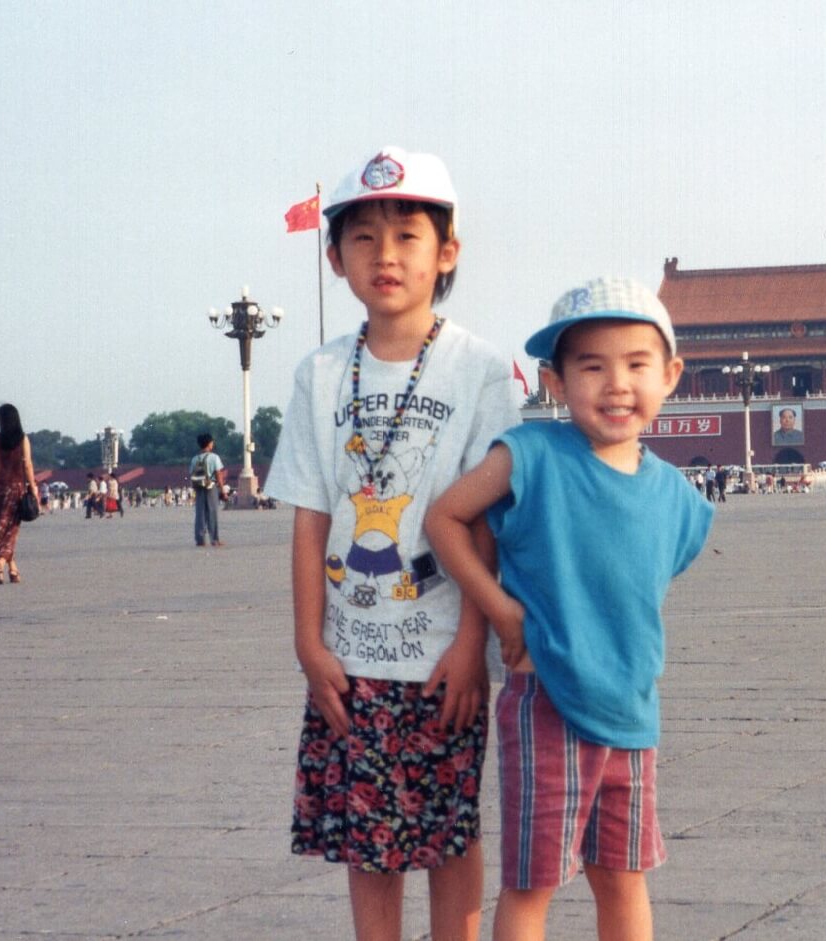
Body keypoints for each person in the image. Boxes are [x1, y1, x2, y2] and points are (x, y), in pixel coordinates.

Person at [263, 146, 520, 941]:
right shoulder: (319, 374)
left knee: (449, 831)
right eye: (364, 238)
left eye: (408, 235)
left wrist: (473, 642)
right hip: (351, 653)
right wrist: (309, 643)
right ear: (336, 257)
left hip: (442, 647)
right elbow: (311, 517)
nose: (387, 256)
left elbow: (486, 521)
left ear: (447, 253)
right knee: (367, 839)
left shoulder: (478, 370)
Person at [426, 276, 713, 941]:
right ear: (555, 381)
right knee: (533, 882)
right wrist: (501, 610)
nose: (617, 383)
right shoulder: (530, 456)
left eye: (637, 364)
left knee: (623, 879)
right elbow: (445, 517)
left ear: (669, 375)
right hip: (546, 702)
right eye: (593, 366)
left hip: (632, 713)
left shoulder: (677, 497)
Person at [0, 403, 38, 585]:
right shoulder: (22, 440)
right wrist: (33, 488)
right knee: (10, 531)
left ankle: (12, 568)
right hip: (15, 490)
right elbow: (28, 465)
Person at [187, 435, 226, 545]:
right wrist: (222, 490)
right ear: (209, 443)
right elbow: (218, 474)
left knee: (200, 514)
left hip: (199, 487)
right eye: (212, 443)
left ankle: (200, 539)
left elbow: (191, 474)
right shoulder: (214, 457)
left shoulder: (195, 459)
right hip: (211, 486)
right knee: (212, 513)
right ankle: (214, 539)